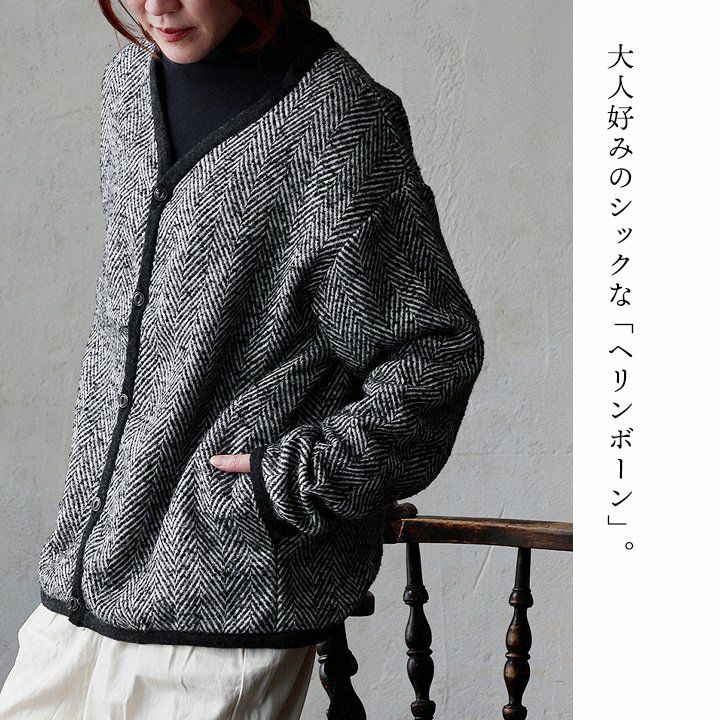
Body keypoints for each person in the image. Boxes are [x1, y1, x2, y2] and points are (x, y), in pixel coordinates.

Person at [0, 0, 484, 717]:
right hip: (82, 581)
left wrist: (286, 483)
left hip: (224, 600)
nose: (156, 6)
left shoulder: (338, 124)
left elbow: (433, 354)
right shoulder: (128, 87)